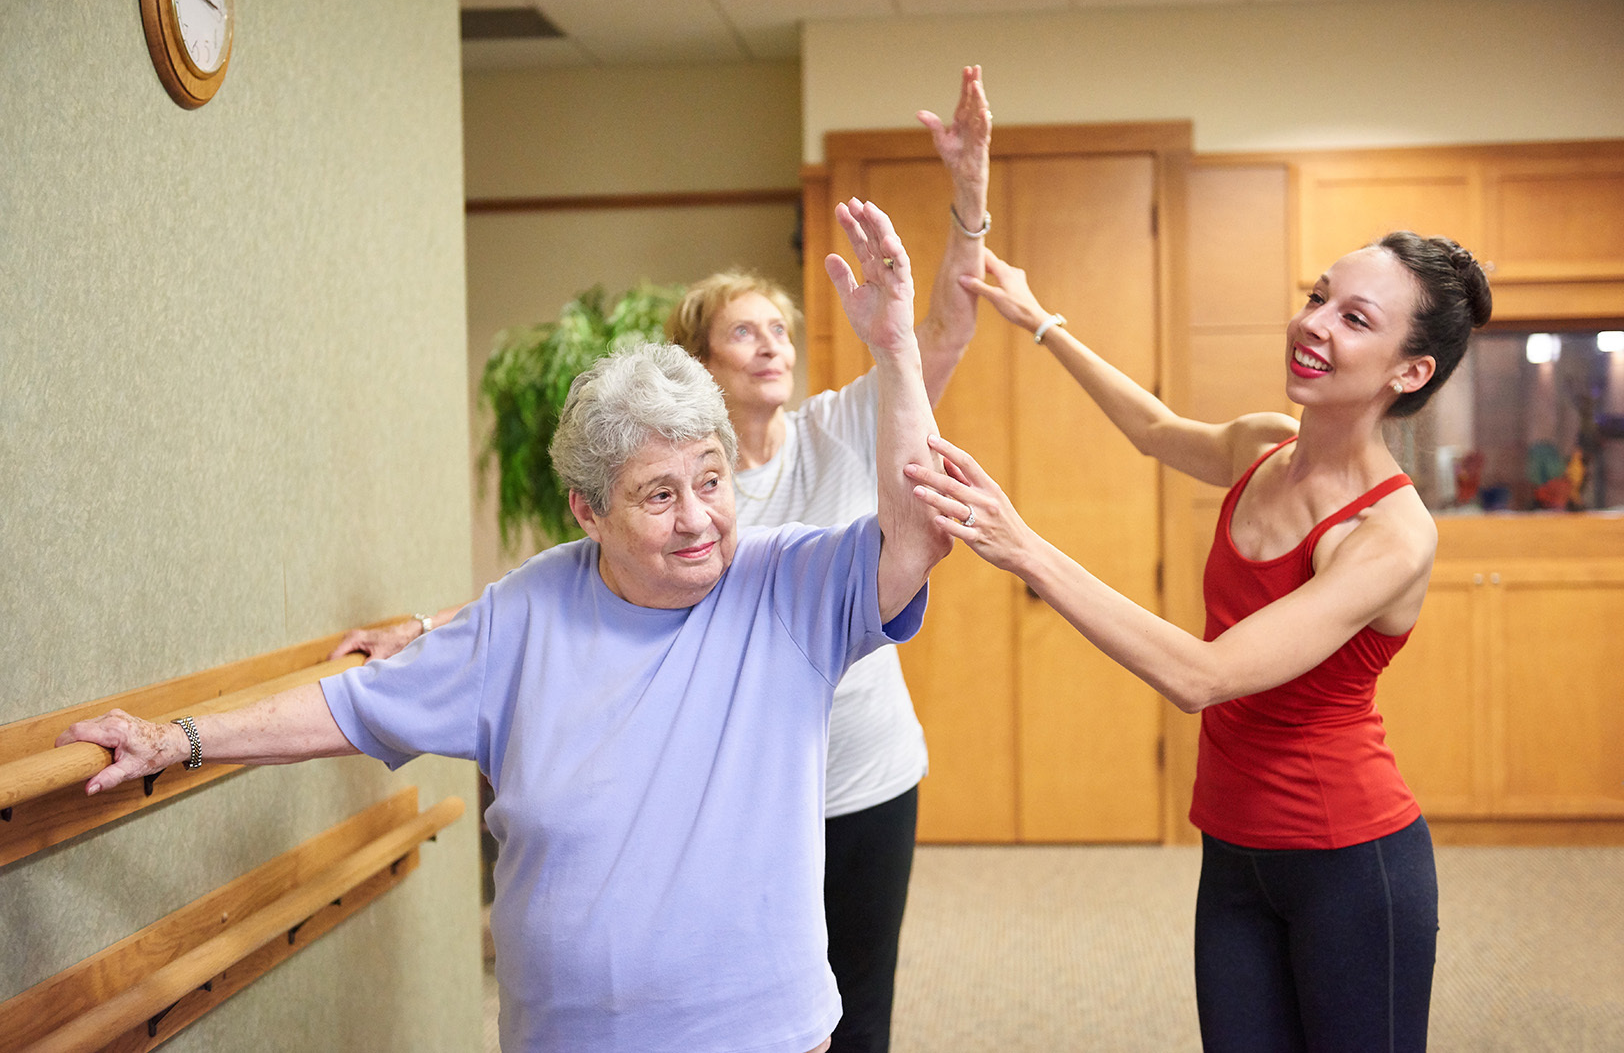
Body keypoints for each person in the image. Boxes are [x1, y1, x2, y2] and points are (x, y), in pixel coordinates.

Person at [59, 200, 952, 1053]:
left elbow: (914, 532)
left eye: (712, 481)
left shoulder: (784, 585)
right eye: (659, 494)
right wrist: (176, 738)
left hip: (757, 1029)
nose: (698, 520)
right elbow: (348, 709)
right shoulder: (527, 611)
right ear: (589, 512)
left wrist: (896, 350)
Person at [340, 65, 993, 1053]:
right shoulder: (648, 477)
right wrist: (432, 631)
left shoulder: (835, 430)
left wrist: (971, 190)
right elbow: (572, 589)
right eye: (747, 331)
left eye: (781, 328)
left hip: (858, 770)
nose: (775, 344)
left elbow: (938, 332)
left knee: (853, 1019)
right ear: (696, 358)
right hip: (731, 792)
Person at [905, 232, 1492, 1052]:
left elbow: (1206, 675)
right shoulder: (1262, 449)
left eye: (1354, 318)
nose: (1314, 323)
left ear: (1409, 370)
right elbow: (1152, 428)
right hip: (1233, 848)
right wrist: (1041, 321)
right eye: (1318, 296)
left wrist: (1023, 545)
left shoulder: (1389, 534)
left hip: (1351, 865)